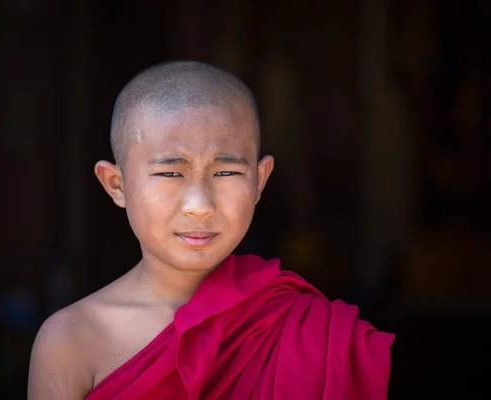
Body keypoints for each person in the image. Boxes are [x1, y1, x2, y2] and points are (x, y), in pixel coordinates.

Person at [27, 61, 394, 400]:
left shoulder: (309, 331)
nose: (200, 204)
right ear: (116, 184)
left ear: (260, 180)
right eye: (171, 173)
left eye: (226, 172)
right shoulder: (73, 339)